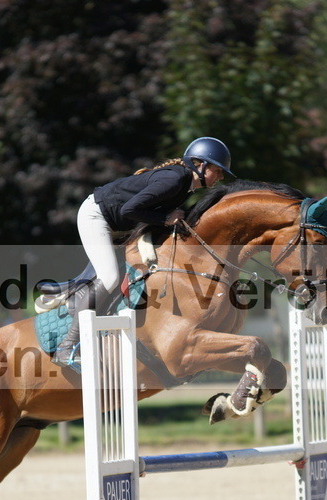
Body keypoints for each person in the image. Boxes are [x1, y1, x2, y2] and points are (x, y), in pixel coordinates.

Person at [52, 137, 235, 365]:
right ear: (201, 165)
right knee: (109, 278)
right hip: (97, 216)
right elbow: (131, 209)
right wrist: (166, 219)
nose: (221, 177)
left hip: (117, 222)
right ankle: (67, 346)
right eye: (218, 171)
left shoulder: (184, 186)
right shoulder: (175, 179)